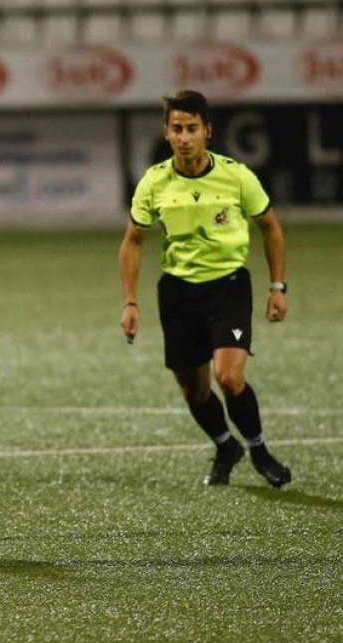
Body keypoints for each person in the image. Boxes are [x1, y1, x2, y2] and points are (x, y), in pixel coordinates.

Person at [119, 90, 292, 488]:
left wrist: (277, 287)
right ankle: (225, 445)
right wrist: (130, 301)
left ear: (207, 131)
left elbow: (270, 226)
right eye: (176, 129)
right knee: (193, 391)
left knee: (228, 378)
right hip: (178, 294)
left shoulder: (237, 175)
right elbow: (132, 241)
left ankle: (260, 450)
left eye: (191, 129)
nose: (184, 137)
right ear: (166, 133)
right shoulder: (154, 182)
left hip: (228, 289)